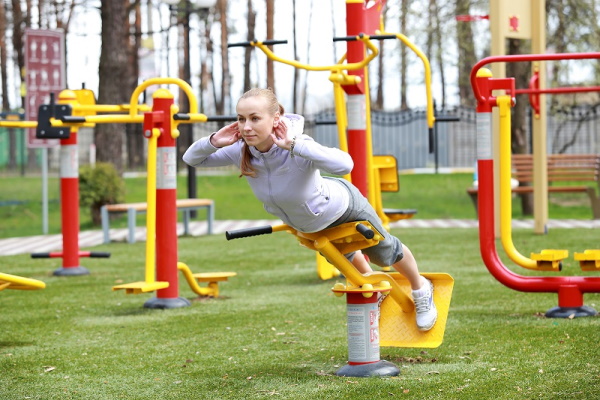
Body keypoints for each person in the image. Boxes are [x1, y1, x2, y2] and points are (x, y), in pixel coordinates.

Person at [183, 88, 437, 331]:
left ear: (275, 119)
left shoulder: (297, 145)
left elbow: (345, 164)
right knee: (348, 261)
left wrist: (293, 144)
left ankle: (421, 288)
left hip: (344, 207)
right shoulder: (240, 150)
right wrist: (215, 140)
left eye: (255, 118)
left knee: (385, 254)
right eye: (241, 119)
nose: (246, 126)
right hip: (311, 225)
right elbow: (191, 159)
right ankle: (376, 289)